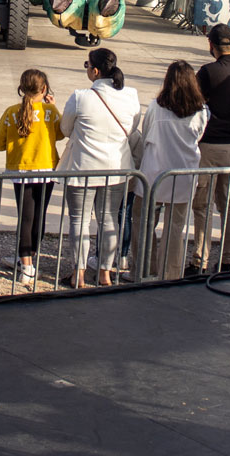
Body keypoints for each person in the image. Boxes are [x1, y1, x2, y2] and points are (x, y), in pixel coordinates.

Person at [58, 47, 139, 288]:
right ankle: (105, 272)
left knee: (79, 221)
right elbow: (133, 129)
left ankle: (79, 274)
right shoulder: (131, 95)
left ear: (94, 71)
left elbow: (65, 129)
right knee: (109, 219)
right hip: (116, 167)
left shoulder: (80, 97)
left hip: (83, 166)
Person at [132, 61, 209, 281]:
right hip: (183, 173)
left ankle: (144, 268)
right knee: (175, 227)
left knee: (143, 222)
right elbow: (199, 135)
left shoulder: (156, 106)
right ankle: (171, 271)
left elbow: (146, 133)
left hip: (154, 171)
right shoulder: (201, 110)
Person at [191, 24, 230, 275]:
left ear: (211, 45)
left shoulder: (208, 72)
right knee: (228, 202)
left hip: (210, 142)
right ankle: (229, 257)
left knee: (202, 203)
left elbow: (195, 102)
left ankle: (200, 259)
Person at [0, 68, 63, 282]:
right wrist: (52, 105)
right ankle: (31, 256)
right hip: (46, 168)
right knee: (39, 215)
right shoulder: (50, 112)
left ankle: (25, 264)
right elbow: (60, 133)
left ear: (21, 89)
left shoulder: (11, 111)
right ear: (44, 89)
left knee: (25, 217)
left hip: (20, 168)